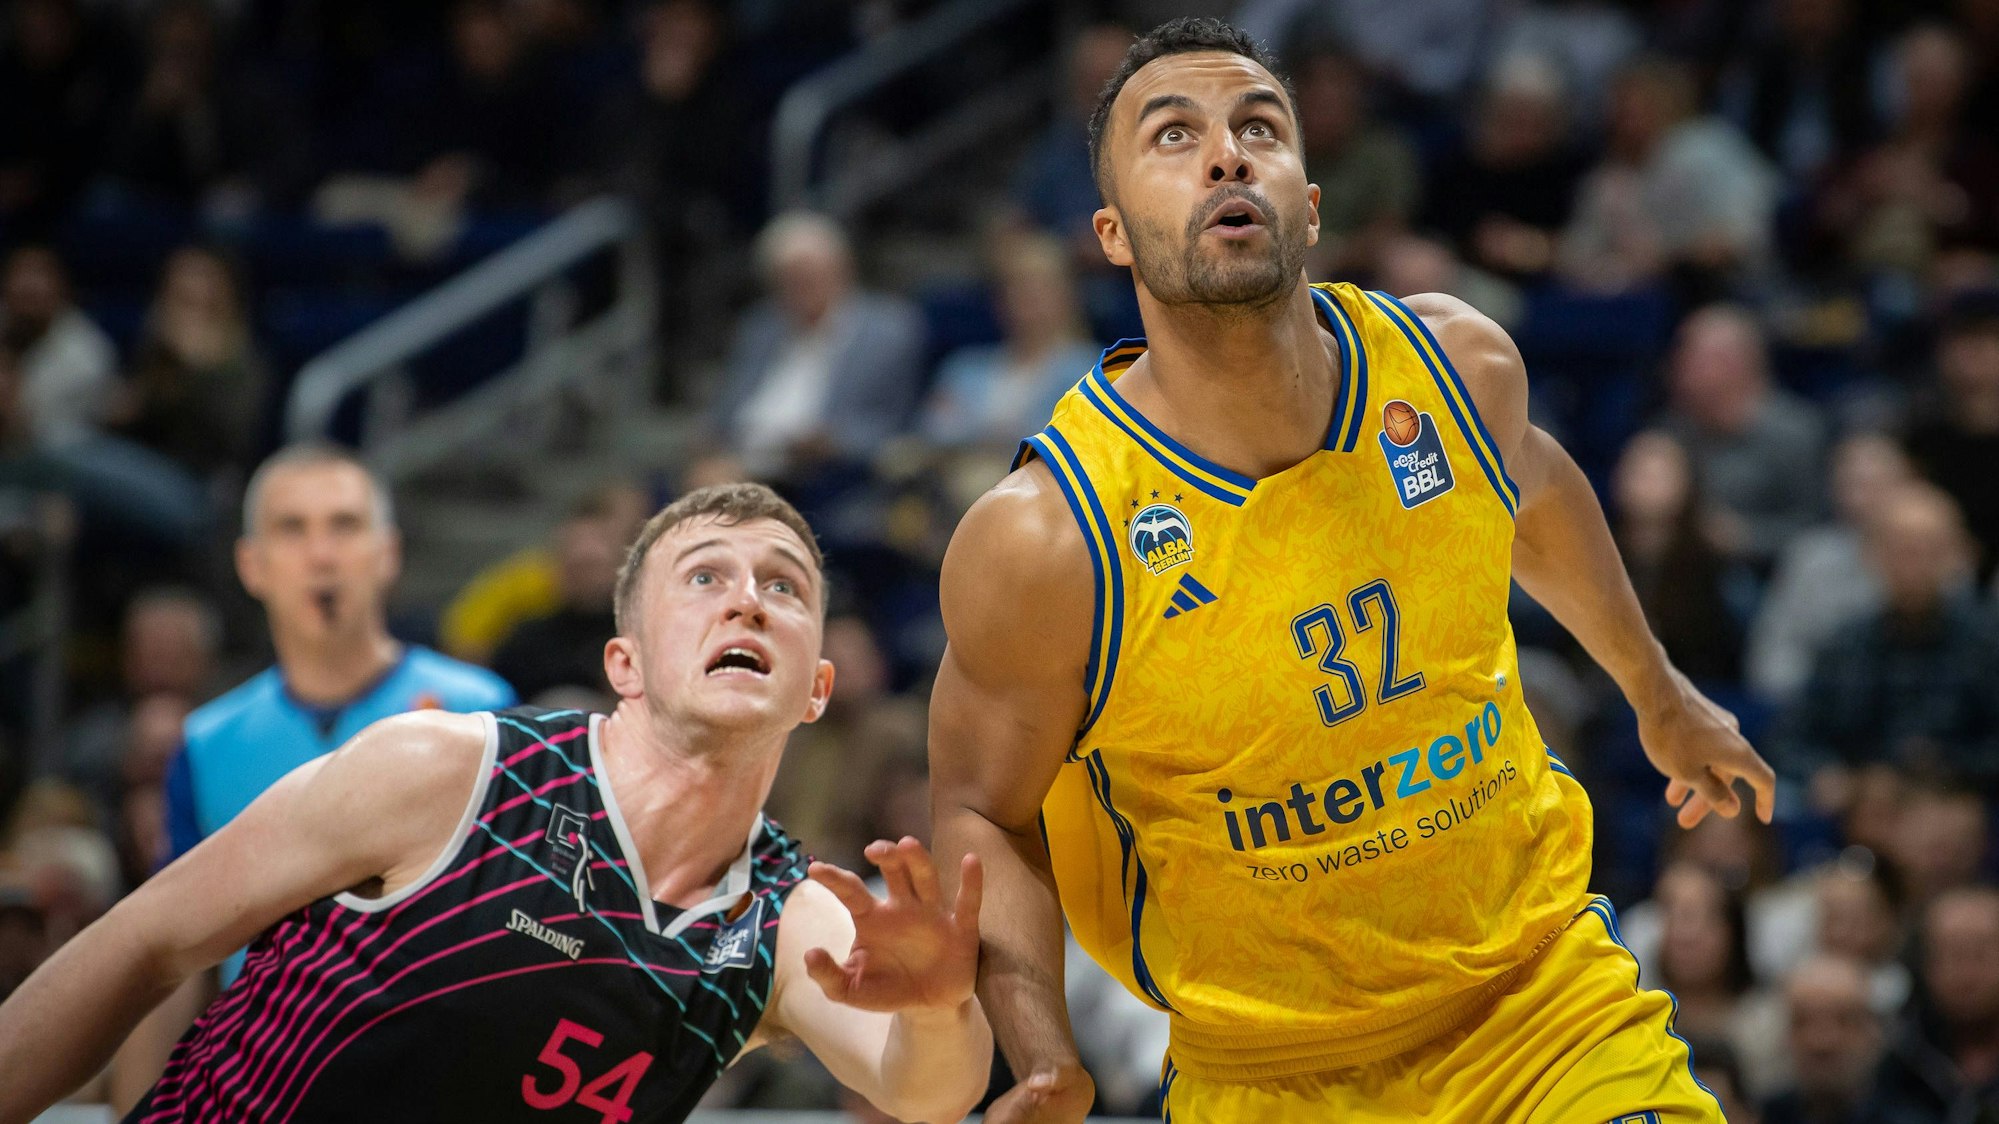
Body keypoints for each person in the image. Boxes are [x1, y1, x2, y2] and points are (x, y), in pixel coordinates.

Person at [929, 18, 1775, 1122]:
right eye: (1172, 137)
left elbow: (1528, 484)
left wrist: (1657, 693)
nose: (1227, 154)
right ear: (1113, 235)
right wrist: (1043, 1054)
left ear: (1311, 204)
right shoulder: (1050, 538)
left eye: (1259, 128)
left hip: (1540, 1013)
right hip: (1268, 1074)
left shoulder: (1454, 366)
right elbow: (980, 808)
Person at [0, 483, 993, 1123]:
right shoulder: (443, 770)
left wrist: (942, 1007)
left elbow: (925, 1086)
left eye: (784, 585)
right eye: (705, 576)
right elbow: (142, 942)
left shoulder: (779, 916)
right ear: (626, 662)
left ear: (816, 686)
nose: (747, 599)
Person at [111, 445, 517, 1109]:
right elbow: (170, 952)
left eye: (345, 525)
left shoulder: (485, 711)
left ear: (387, 553)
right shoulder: (206, 742)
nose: (321, 554)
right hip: (262, 1087)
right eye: (293, 528)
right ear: (252, 564)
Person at [1762, 954, 1928, 1124]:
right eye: (1804, 1021)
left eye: (1842, 1021)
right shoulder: (1758, 1114)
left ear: (1873, 1034)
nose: (1821, 1042)